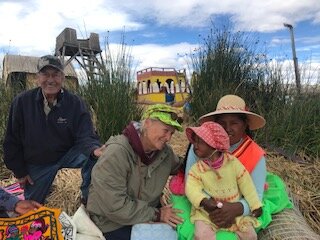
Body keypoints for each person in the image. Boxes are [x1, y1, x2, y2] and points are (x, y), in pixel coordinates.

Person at [170, 94, 293, 239]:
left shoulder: (254, 154)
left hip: (239, 203)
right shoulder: (200, 147)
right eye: (222, 123)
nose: (227, 129)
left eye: (234, 123)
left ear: (245, 124)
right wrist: (215, 208)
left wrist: (237, 208)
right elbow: (192, 184)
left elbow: (253, 192)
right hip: (204, 204)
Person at [3, 55, 105, 204]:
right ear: (38, 77)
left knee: (95, 158)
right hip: (38, 162)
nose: (50, 80)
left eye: (56, 74)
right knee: (33, 206)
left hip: (67, 154)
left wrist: (94, 150)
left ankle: (87, 198)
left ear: (62, 77)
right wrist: (20, 172)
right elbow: (12, 140)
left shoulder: (76, 103)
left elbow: (86, 135)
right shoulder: (21, 102)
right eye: (45, 74)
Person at [86, 104, 185, 240]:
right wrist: (157, 215)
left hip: (144, 214)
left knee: (182, 231)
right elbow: (114, 206)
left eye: (172, 133)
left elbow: (182, 167)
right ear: (148, 123)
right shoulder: (117, 152)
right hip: (112, 223)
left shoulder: (165, 153)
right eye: (165, 130)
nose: (168, 138)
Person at [185, 121, 262, 240]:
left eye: (200, 142)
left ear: (214, 145)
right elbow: (191, 188)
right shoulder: (197, 169)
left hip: (235, 211)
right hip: (207, 213)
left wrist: (255, 205)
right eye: (195, 141)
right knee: (201, 235)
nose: (195, 146)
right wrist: (204, 202)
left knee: (250, 235)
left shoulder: (233, 163)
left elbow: (247, 184)